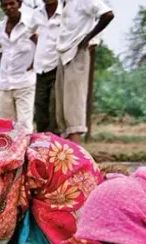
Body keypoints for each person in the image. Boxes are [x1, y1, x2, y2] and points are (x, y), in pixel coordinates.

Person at [55, 0, 114, 144]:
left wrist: (88, 38)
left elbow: (108, 14)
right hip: (63, 53)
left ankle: (76, 153)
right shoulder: (64, 4)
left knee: (74, 107)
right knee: (62, 108)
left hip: (77, 52)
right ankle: (67, 152)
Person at [0, 0, 38, 133]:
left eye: (12, 3)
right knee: (5, 126)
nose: (8, 7)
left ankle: (25, 147)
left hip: (25, 81)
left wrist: (35, 62)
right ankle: (9, 148)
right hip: (4, 83)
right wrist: (0, 57)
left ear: (19, 4)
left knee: (24, 124)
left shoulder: (30, 25)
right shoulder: (0, 27)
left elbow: (43, 44)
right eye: (4, 5)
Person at [33, 0, 61, 134]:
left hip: (58, 67)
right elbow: (28, 32)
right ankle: (41, 141)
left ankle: (55, 141)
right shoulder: (37, 13)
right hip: (40, 68)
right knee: (40, 107)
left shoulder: (65, 12)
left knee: (55, 107)